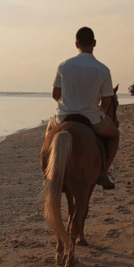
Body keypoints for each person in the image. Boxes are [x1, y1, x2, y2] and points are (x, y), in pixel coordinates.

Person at [46, 27, 119, 189]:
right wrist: (97, 110)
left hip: (63, 116)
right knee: (114, 135)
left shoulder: (63, 65)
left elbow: (55, 94)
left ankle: (47, 173)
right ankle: (103, 173)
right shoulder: (103, 69)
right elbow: (107, 102)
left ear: (76, 44)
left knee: (48, 134)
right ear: (94, 43)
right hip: (91, 118)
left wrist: (68, 104)